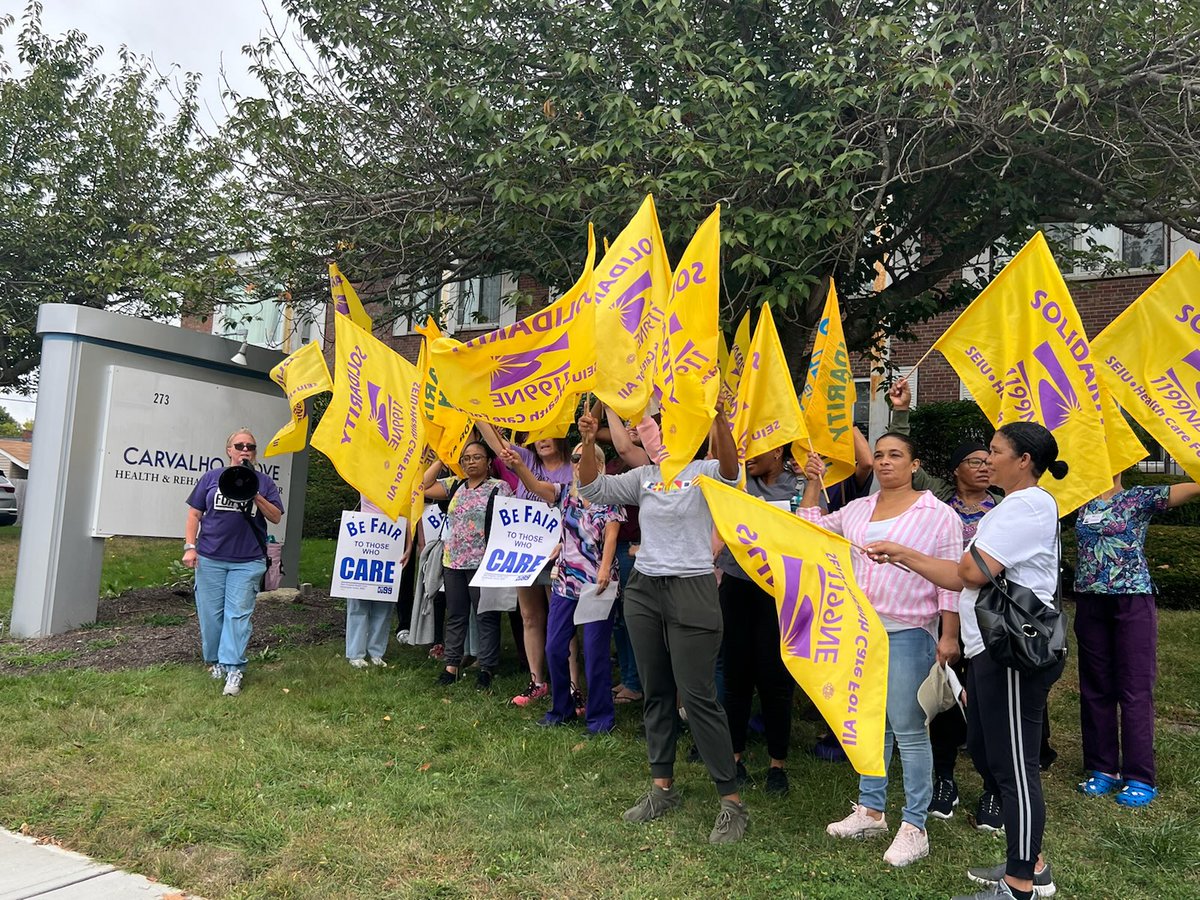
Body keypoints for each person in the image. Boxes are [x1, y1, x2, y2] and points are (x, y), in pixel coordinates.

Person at [871, 422, 1067, 900]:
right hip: (988, 651)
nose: (986, 459)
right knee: (985, 750)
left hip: (1015, 655)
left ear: (1023, 461)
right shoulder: (1010, 507)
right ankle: (1030, 860)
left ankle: (1021, 884)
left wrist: (914, 556)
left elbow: (970, 570)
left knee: (1014, 766)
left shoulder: (1027, 504)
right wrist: (901, 554)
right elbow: (963, 578)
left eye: (996, 452)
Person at [576, 408, 749, 844]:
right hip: (644, 590)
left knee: (698, 695)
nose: (662, 436)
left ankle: (731, 802)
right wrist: (591, 441)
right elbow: (592, 488)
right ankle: (661, 788)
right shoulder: (644, 476)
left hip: (692, 589)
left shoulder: (705, 471)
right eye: (659, 429)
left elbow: (732, 471)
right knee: (656, 691)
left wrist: (720, 421)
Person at [797, 432, 962, 868]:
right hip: (860, 632)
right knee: (871, 723)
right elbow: (809, 528)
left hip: (909, 629)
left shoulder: (937, 514)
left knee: (908, 727)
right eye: (881, 455)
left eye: (896, 455)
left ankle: (915, 826)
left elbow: (951, 581)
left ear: (914, 464)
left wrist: (949, 636)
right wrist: (814, 481)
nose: (886, 462)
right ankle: (871, 811)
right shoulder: (859, 508)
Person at [1072, 471, 1200, 808]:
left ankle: (1139, 775)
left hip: (1132, 599)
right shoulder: (1078, 500)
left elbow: (1192, 487)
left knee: (1134, 687)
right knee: (1095, 685)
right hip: (1089, 600)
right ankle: (1102, 768)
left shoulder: (1139, 497)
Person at [502, 440, 625, 733]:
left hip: (597, 584)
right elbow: (534, 485)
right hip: (565, 582)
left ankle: (600, 719)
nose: (577, 463)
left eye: (584, 458)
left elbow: (611, 535)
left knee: (595, 653)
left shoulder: (609, 495)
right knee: (555, 647)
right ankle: (562, 709)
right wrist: (518, 465)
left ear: (597, 463)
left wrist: (605, 568)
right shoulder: (564, 496)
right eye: (575, 458)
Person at [714, 444, 799, 795]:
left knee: (776, 681)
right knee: (735, 678)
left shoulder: (798, 485)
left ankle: (777, 765)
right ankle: (734, 758)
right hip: (736, 587)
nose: (748, 455)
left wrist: (813, 483)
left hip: (780, 594)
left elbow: (812, 527)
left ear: (778, 451)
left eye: (757, 449)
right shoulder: (736, 481)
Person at [183, 429, 283, 697]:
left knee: (238, 615)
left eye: (250, 446)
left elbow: (276, 517)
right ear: (229, 450)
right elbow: (194, 514)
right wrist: (190, 547)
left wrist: (255, 494)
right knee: (211, 616)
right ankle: (215, 661)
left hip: (247, 561)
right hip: (210, 558)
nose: (245, 449)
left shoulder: (264, 482)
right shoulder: (212, 478)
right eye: (239, 445)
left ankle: (233, 667)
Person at [483, 426, 574, 708]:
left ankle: (571, 684)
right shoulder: (527, 458)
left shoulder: (573, 468)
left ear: (561, 436)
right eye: (538, 436)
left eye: (548, 434)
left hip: (558, 552)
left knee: (561, 619)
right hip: (523, 551)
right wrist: (475, 409)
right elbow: (497, 443)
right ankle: (537, 682)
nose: (543, 440)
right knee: (530, 616)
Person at [421, 440, 514, 690]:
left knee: (486, 615)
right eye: (466, 458)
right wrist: (442, 458)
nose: (470, 462)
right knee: (456, 614)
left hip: (484, 562)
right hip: (454, 561)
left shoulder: (500, 488)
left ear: (488, 462)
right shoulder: (455, 485)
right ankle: (451, 664)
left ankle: (486, 667)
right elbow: (424, 486)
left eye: (476, 457)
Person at [345, 495, 410, 668]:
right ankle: (355, 653)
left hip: (392, 538)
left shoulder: (401, 475)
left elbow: (408, 513)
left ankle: (376, 653)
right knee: (358, 601)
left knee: (384, 602)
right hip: (364, 535)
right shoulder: (365, 472)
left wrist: (409, 545)